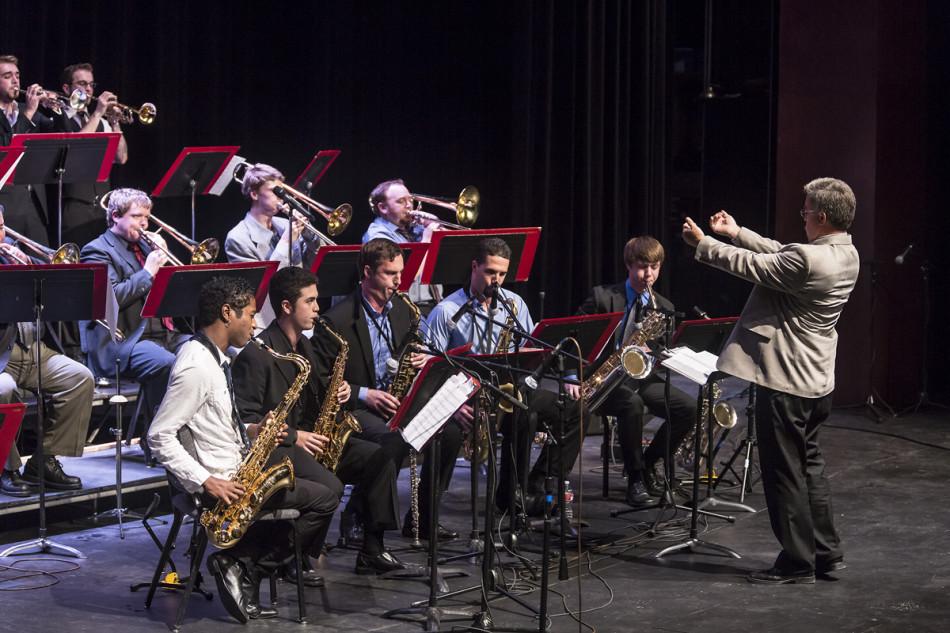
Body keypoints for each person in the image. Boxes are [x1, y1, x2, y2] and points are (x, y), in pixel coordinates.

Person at [681, 177, 859, 584]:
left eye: (806, 210)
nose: (803, 216)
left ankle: (796, 560)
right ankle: (826, 554)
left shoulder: (810, 261)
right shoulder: (845, 253)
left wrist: (704, 244)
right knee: (810, 466)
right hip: (816, 382)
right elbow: (781, 253)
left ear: (822, 216)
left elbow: (756, 266)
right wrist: (738, 232)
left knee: (783, 472)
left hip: (786, 382)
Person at [148, 276, 339, 623]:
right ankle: (241, 563)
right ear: (226, 314)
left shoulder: (215, 358)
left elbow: (214, 421)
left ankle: (244, 567)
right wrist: (206, 481)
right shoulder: (195, 366)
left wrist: (254, 429)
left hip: (239, 462)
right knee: (323, 500)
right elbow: (159, 435)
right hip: (225, 481)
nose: (255, 322)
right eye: (250, 315)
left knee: (325, 487)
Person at [231, 266, 407, 575]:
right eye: (310, 302)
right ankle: (285, 558)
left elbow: (320, 395)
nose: (318, 308)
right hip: (281, 450)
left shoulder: (308, 345)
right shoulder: (257, 355)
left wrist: (339, 391)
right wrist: (295, 436)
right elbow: (246, 421)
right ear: (286, 307)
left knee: (380, 457)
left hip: (317, 440)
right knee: (332, 486)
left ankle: (372, 548)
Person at [314, 238, 462, 540]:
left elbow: (406, 352)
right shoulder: (336, 319)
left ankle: (423, 519)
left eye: (401, 273)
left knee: (451, 432)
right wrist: (364, 393)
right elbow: (322, 380)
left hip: (395, 400)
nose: (398, 281)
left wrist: (422, 358)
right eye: (389, 273)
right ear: (367, 272)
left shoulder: (403, 311)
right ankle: (361, 516)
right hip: (356, 408)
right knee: (393, 439)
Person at [427, 237, 584, 516]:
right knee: (525, 416)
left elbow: (534, 346)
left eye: (502, 274)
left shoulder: (514, 304)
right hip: (470, 395)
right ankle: (512, 494)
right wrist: (452, 406)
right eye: (490, 272)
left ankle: (531, 485)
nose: (496, 281)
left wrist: (564, 369)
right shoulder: (446, 311)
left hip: (509, 390)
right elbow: (430, 366)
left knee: (575, 409)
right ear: (474, 267)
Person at [575, 236, 696, 506]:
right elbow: (578, 340)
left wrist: (657, 355)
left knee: (688, 408)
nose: (649, 275)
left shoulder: (664, 308)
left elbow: (662, 349)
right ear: (628, 265)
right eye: (642, 267)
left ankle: (650, 463)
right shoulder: (602, 297)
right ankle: (636, 479)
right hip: (604, 380)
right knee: (632, 404)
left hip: (640, 377)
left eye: (654, 267)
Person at [79, 188, 188, 448]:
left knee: (207, 354)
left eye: (147, 218)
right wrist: (149, 271)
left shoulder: (144, 247)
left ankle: (195, 437)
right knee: (168, 364)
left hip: (164, 334)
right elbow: (110, 300)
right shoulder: (96, 250)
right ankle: (159, 440)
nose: (144, 224)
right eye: (137, 216)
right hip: (124, 341)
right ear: (115, 216)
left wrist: (166, 264)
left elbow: (174, 289)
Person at [0, 205, 94, 496]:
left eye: (1, 225)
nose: (0, 233)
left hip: (34, 349)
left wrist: (35, 275)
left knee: (80, 377)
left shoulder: (14, 256)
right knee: (3, 389)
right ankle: (7, 467)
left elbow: (53, 305)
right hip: (2, 355)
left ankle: (44, 461)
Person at [225, 163, 323, 332]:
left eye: (282, 191)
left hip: (301, 315)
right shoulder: (237, 238)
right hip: (267, 322)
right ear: (255, 194)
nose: (282, 197)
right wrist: (286, 242)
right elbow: (261, 289)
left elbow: (309, 269)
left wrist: (310, 237)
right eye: (275, 191)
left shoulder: (285, 224)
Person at [53, 62, 129, 248]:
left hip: (103, 206)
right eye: (82, 84)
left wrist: (114, 123)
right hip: (75, 206)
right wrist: (98, 113)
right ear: (66, 88)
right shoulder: (58, 116)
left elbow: (121, 158)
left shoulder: (100, 121)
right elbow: (78, 148)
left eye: (91, 85)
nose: (88, 89)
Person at [363, 178, 442, 313]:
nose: (409, 205)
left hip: (434, 302)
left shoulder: (415, 228)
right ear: (383, 207)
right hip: (402, 308)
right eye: (401, 201)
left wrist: (437, 230)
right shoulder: (377, 235)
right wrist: (428, 238)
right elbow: (403, 278)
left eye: (410, 200)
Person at [0, 54, 51, 245]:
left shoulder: (25, 108)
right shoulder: (27, 111)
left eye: (17, 75)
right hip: (6, 208)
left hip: (35, 206)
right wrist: (29, 113)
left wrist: (54, 108)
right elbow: (8, 150)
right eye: (7, 76)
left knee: (41, 268)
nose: (15, 81)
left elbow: (62, 132)